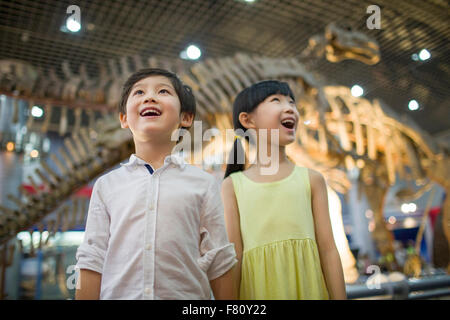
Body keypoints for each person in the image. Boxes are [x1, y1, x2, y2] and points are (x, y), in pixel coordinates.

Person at [75, 68, 237, 300]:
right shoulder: (106, 186)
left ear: (186, 117)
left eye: (163, 91)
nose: (149, 97)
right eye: (139, 92)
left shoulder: (204, 183)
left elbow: (219, 258)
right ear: (123, 119)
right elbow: (91, 257)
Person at [221, 80, 347, 299]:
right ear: (247, 119)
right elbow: (235, 257)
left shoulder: (313, 180)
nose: (290, 108)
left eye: (292, 102)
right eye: (276, 100)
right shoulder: (232, 186)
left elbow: (328, 250)